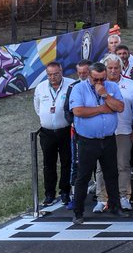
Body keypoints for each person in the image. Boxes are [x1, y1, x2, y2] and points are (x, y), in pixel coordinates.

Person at [68, 62, 125, 225]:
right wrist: (102, 109)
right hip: (88, 140)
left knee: (112, 174)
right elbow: (78, 111)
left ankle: (115, 205)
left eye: (102, 79)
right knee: (83, 176)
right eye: (96, 79)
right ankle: (78, 211)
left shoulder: (111, 87)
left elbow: (120, 107)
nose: (99, 82)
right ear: (88, 76)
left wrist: (106, 95)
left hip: (107, 139)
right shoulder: (79, 88)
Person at [95, 56, 133, 213]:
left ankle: (124, 196)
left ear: (121, 68)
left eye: (116, 68)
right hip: (103, 132)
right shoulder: (99, 85)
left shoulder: (130, 84)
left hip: (123, 130)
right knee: (101, 167)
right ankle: (102, 198)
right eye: (110, 68)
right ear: (105, 69)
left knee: (123, 165)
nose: (113, 71)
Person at [33, 61, 74, 206]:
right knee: (48, 164)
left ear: (61, 71)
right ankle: (49, 193)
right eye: (49, 75)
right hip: (47, 132)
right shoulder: (40, 87)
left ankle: (64, 191)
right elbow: (38, 107)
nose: (53, 77)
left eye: (55, 74)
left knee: (66, 162)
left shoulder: (71, 84)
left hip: (65, 131)